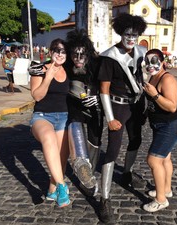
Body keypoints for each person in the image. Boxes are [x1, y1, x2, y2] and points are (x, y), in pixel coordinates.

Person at [97, 13, 147, 223]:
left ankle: (127, 173)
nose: (131, 38)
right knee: (112, 150)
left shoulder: (141, 52)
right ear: (120, 32)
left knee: (136, 140)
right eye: (127, 34)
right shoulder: (109, 56)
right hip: (116, 107)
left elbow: (142, 75)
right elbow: (104, 89)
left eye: (135, 35)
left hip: (135, 105)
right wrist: (109, 117)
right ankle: (104, 199)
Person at [28, 38, 70, 208]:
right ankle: (62, 186)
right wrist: (48, 78)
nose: (60, 54)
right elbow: (36, 96)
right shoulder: (39, 69)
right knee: (48, 137)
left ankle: (52, 189)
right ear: (50, 52)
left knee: (61, 159)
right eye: (57, 50)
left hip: (64, 117)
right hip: (42, 116)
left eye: (63, 51)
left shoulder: (70, 71)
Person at [142, 49, 177, 212]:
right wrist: (146, 113)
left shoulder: (168, 79)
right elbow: (153, 104)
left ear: (161, 61)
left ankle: (161, 199)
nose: (150, 64)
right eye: (147, 61)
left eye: (154, 61)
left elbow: (172, 106)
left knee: (154, 161)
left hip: (171, 126)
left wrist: (154, 95)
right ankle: (166, 189)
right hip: (160, 126)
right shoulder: (153, 77)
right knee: (165, 159)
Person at [64, 29, 103, 196]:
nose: (78, 59)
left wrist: (99, 97)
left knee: (95, 140)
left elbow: (110, 85)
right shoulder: (66, 65)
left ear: (88, 54)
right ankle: (83, 171)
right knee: (75, 129)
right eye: (75, 54)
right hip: (75, 107)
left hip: (95, 108)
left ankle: (91, 171)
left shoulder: (98, 65)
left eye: (82, 55)